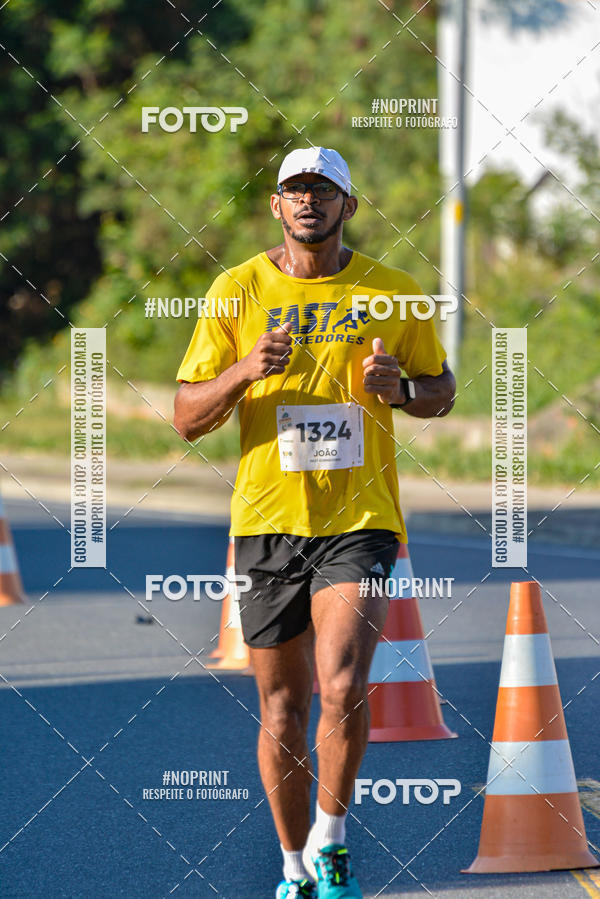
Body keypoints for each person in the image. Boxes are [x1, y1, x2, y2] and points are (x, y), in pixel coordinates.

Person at [174, 147, 456, 899]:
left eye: (323, 191)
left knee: (340, 683)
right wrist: (243, 370)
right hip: (269, 522)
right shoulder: (236, 291)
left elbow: (443, 389)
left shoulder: (394, 293)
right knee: (282, 705)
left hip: (358, 520)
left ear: (348, 207)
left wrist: (401, 391)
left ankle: (332, 842)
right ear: (276, 206)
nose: (308, 202)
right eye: (295, 190)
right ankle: (293, 865)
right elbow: (185, 418)